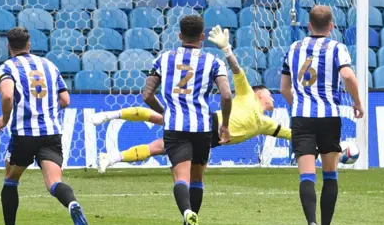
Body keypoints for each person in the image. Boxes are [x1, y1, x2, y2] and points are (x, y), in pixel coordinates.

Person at [93, 25, 290, 174]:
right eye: (270, 94)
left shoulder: (267, 124)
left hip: (211, 138)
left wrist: (314, 142)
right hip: (207, 123)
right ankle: (109, 114)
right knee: (159, 119)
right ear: (260, 93)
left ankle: (110, 158)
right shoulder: (247, 94)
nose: (273, 98)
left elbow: (291, 134)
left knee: (159, 147)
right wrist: (227, 49)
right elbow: (237, 70)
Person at [142, 15, 232, 225]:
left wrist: (166, 112)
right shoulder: (213, 61)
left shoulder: (163, 59)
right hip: (203, 127)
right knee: (197, 179)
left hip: (175, 127)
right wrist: (225, 125)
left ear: (180, 35)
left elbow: (147, 95)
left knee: (180, 178)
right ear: (202, 37)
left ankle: (188, 219)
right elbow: (226, 95)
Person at [280, 5, 363, 225]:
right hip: (329, 117)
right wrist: (357, 102)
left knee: (307, 175)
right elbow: (348, 76)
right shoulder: (337, 48)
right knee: (330, 174)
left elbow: (284, 87)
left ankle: (311, 224)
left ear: (308, 25)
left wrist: (299, 106)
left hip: (302, 118)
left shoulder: (294, 48)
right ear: (331, 26)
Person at [0, 27, 88, 225]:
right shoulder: (49, 65)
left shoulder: (7, 67)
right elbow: (65, 100)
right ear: (29, 45)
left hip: (25, 135)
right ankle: (72, 204)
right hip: (51, 133)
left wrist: (5, 119)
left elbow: (7, 94)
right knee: (54, 182)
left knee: (11, 179)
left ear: (9, 47)